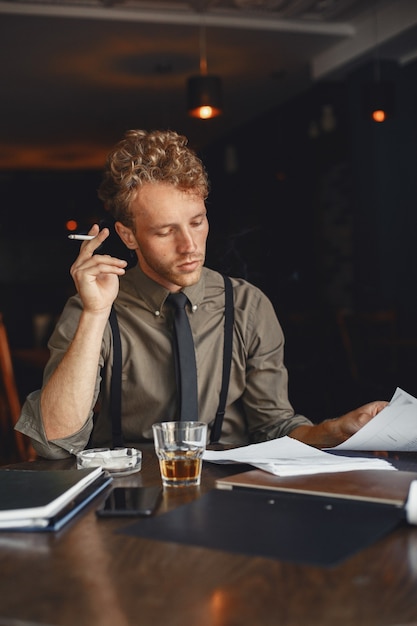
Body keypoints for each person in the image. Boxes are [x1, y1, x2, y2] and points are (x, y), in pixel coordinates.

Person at [16, 129, 387, 459]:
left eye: (197, 222)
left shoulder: (247, 305)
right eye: (165, 232)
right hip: (125, 493)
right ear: (129, 236)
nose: (189, 245)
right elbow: (54, 444)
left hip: (230, 496)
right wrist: (96, 314)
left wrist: (335, 431)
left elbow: (274, 428)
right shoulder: (90, 308)